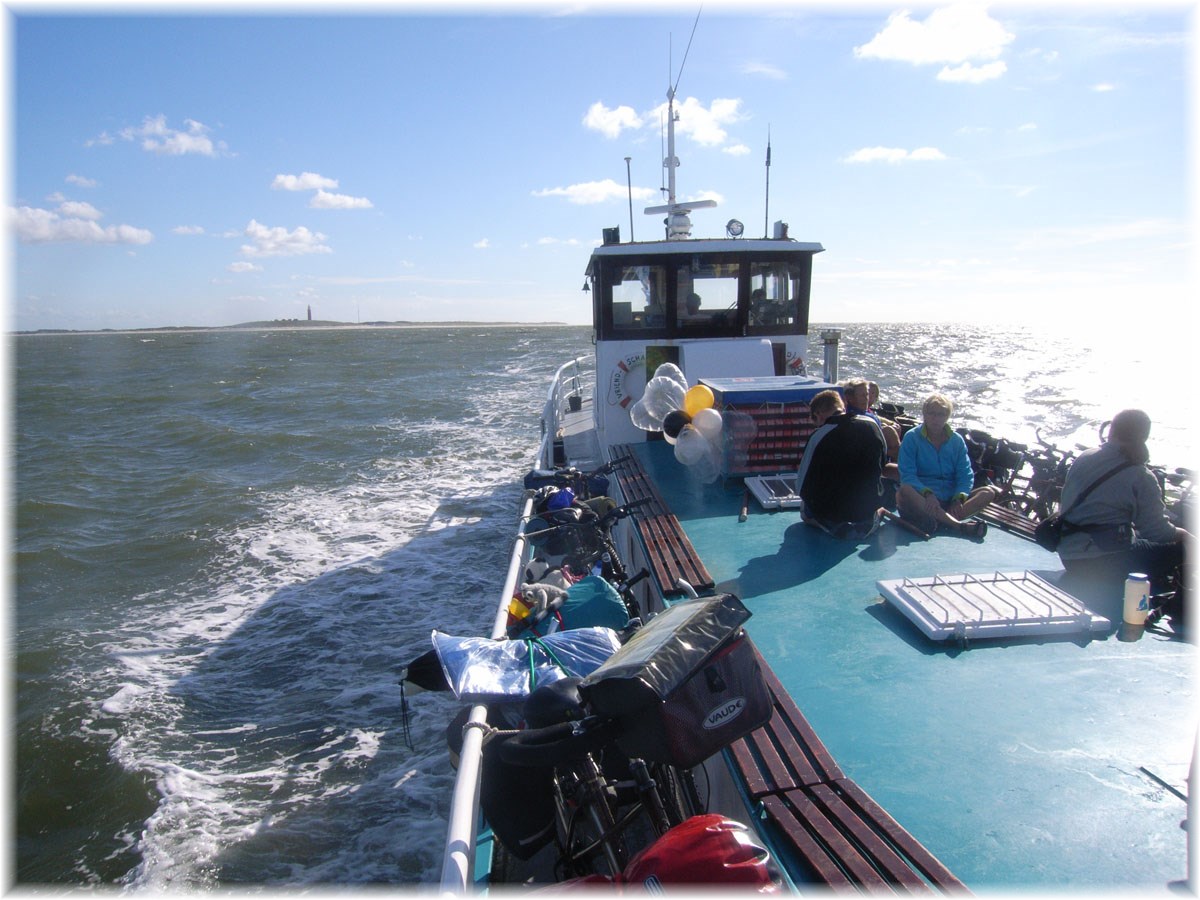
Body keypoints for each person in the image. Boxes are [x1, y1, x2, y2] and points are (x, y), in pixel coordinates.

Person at [1056, 409, 1190, 597]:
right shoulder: (1140, 475)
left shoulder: (1085, 457)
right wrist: (1186, 535)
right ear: (1144, 436)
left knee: (1140, 541)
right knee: (1188, 548)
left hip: (1069, 557)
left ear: (1112, 429)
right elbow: (1158, 532)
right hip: (1104, 564)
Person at [795, 389, 895, 539]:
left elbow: (801, 487)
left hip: (831, 512)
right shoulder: (872, 425)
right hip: (865, 510)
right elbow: (882, 464)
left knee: (805, 510)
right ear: (843, 407)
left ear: (818, 415)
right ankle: (868, 519)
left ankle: (831, 524)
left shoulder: (819, 435)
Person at [896, 394, 998, 538]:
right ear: (924, 414)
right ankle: (957, 525)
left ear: (947, 416)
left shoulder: (956, 440)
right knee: (905, 489)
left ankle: (943, 520)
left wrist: (958, 498)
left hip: (950, 500)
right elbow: (907, 475)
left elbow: (965, 474)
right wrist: (928, 493)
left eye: (941, 414)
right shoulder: (912, 437)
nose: (935, 418)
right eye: (931, 413)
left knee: (988, 492)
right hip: (924, 500)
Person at [843, 378, 901, 460]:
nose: (866, 398)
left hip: (879, 449)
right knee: (889, 431)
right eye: (862, 395)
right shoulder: (851, 415)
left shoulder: (865, 411)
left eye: (867, 394)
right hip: (868, 456)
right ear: (850, 398)